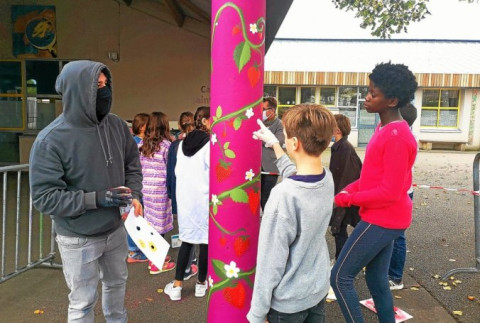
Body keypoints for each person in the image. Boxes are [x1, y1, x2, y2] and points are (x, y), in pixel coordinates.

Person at [29, 60, 143, 322]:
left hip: (115, 231)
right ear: (77, 91)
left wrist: (135, 194)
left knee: (117, 287)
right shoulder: (50, 140)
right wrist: (97, 199)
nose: (104, 92)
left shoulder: (116, 126)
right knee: (82, 303)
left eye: (105, 85)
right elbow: (45, 197)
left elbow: (132, 164)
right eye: (96, 86)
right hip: (77, 238)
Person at [331, 62, 418, 323]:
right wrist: (350, 188)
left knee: (339, 277)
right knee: (376, 279)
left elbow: (389, 192)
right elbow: (372, 176)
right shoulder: (383, 129)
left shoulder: (397, 136)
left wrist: (350, 198)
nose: (366, 98)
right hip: (385, 216)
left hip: (384, 218)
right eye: (368, 91)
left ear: (391, 100)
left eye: (373, 94)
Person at [247, 104, 337, 323]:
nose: (284, 139)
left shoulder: (282, 196)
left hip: (288, 304)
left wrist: (257, 314)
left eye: (286, 136)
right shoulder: (326, 178)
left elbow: (270, 263)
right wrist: (276, 146)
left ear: (294, 143)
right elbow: (297, 176)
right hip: (317, 290)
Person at [164, 106, 210, 301]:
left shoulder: (180, 145)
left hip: (186, 201)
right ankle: (201, 283)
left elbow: (176, 173)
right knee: (206, 242)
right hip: (205, 200)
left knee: (187, 241)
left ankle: (176, 286)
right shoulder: (211, 145)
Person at [138, 112, 176, 274]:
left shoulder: (143, 144)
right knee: (160, 227)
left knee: (151, 224)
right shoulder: (167, 146)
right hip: (161, 190)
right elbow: (171, 169)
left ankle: (154, 255)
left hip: (146, 189)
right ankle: (156, 263)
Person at [388, 103, 418, 290]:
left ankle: (396, 277)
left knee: (397, 236)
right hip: (401, 192)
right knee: (392, 235)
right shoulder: (402, 135)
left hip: (400, 193)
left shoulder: (403, 137)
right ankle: (389, 272)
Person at [166, 111, 198, 280]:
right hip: (198, 194)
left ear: (179, 126)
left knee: (186, 231)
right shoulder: (205, 143)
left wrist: (170, 191)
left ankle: (187, 266)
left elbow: (171, 172)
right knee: (196, 230)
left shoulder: (175, 146)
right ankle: (193, 265)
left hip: (181, 193)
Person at [329, 114, 362, 261]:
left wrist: (339, 198)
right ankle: (341, 260)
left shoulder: (345, 149)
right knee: (340, 228)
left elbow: (347, 176)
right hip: (341, 195)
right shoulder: (338, 147)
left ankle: (341, 261)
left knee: (340, 227)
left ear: (337, 130)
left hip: (344, 197)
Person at [127, 112, 150, 263]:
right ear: (142, 127)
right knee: (135, 216)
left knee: (137, 216)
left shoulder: (133, 142)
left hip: (138, 184)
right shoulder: (136, 144)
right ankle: (133, 251)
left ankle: (137, 249)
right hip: (137, 185)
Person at [260, 97, 285, 211]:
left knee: (267, 197)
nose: (262, 112)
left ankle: (269, 220)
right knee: (256, 197)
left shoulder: (279, 124)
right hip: (255, 168)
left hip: (271, 168)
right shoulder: (258, 122)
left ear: (272, 110)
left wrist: (263, 139)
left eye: (264, 109)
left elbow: (277, 142)